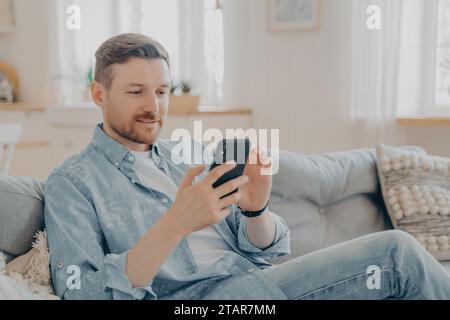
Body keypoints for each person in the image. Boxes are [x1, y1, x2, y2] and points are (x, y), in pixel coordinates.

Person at [44, 33, 450, 300]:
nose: (154, 107)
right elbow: (82, 292)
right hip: (202, 301)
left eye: (162, 91)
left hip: (256, 287)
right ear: (98, 93)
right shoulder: (73, 183)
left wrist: (256, 211)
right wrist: (175, 225)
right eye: (136, 92)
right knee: (395, 254)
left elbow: (262, 250)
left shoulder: (183, 156)